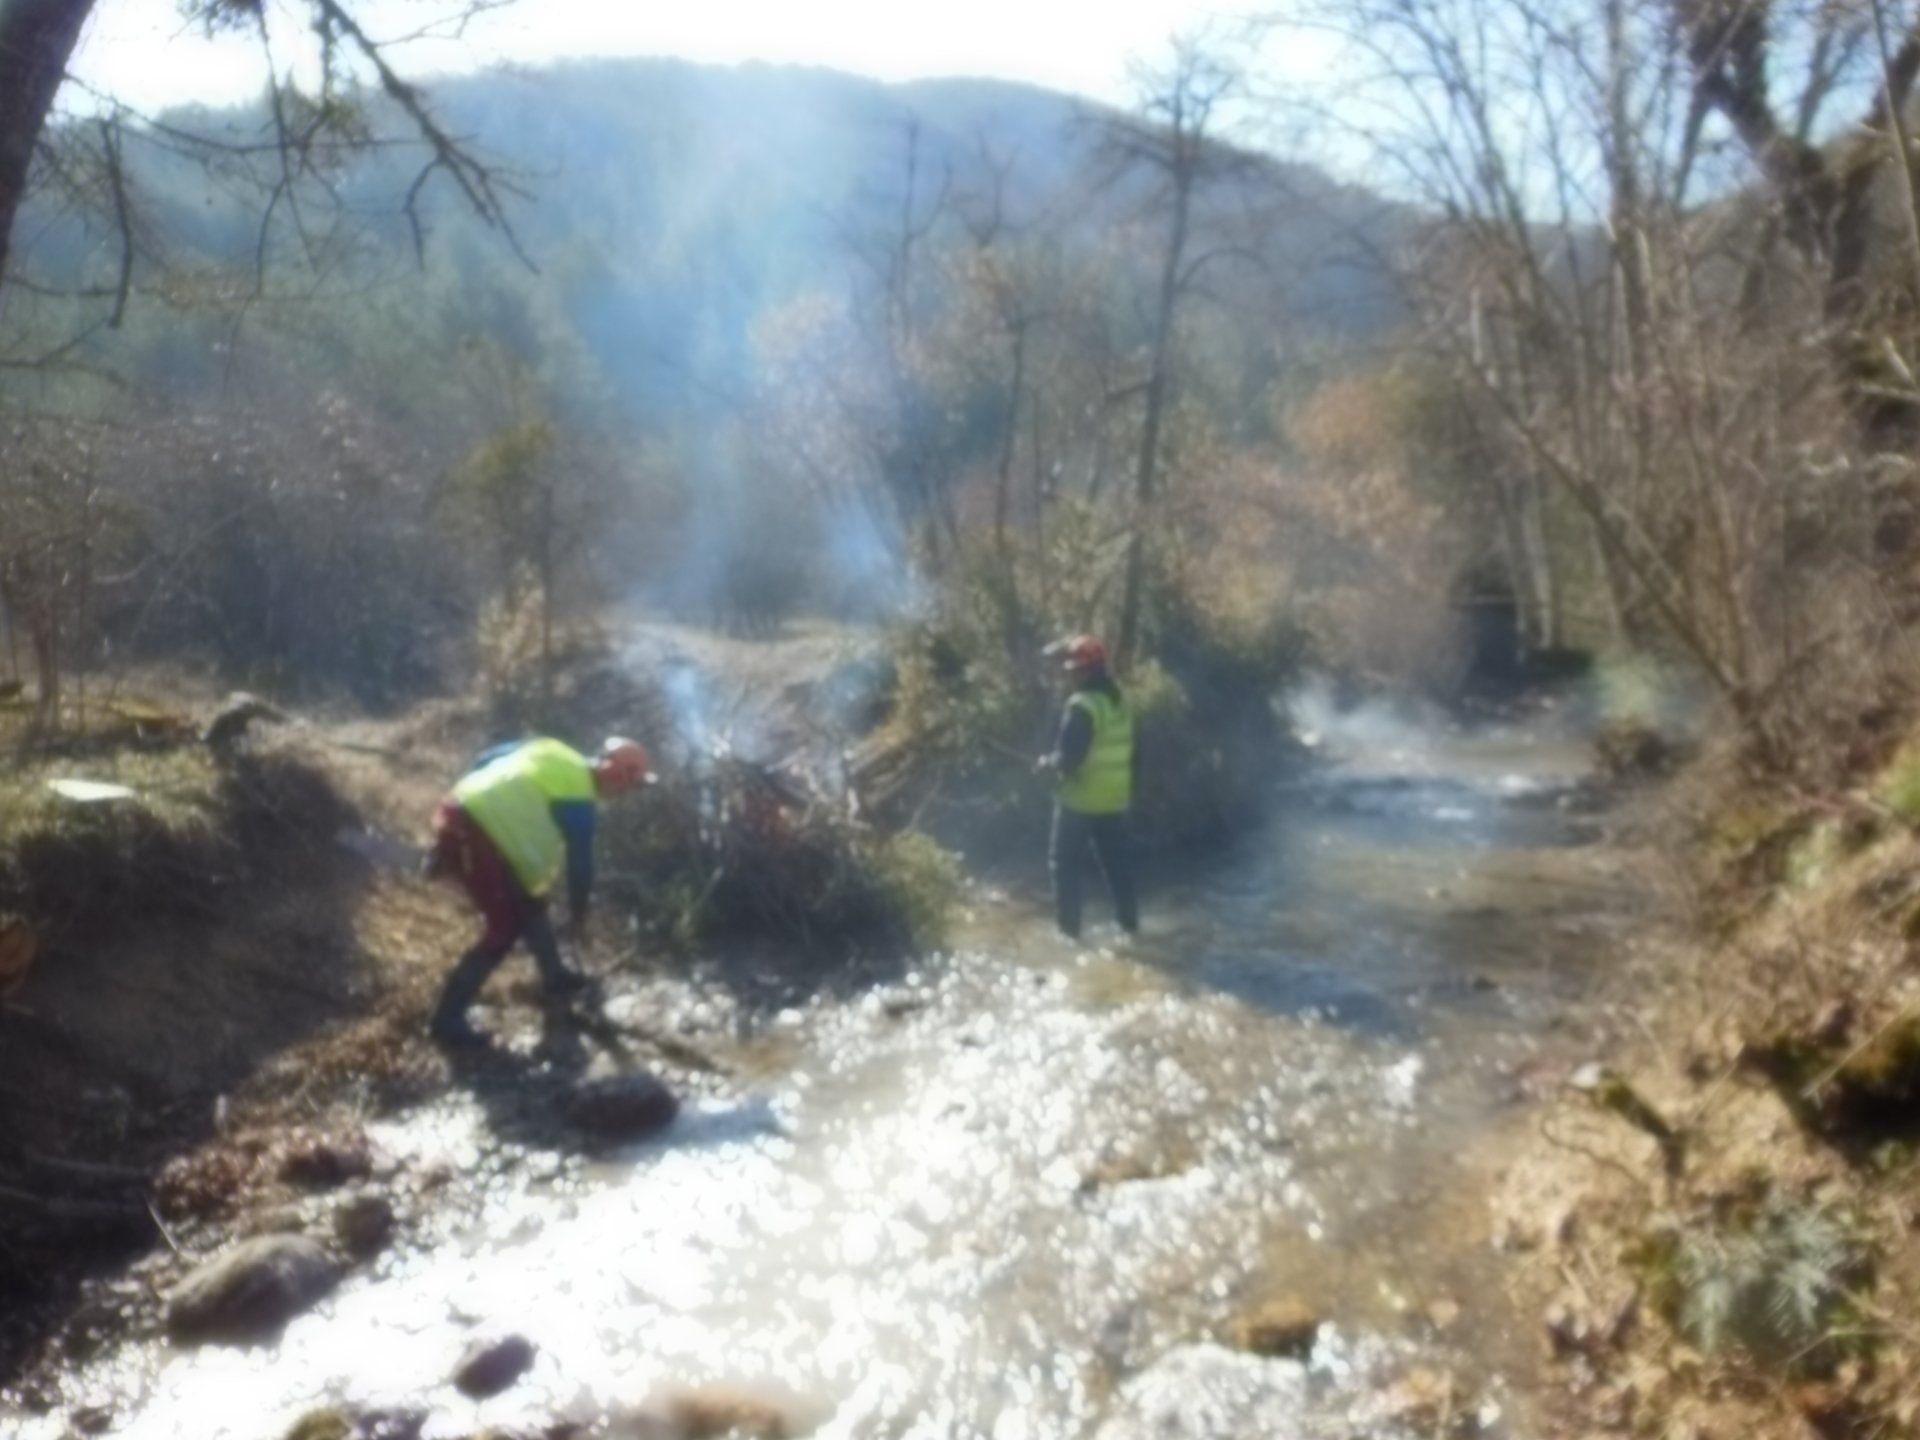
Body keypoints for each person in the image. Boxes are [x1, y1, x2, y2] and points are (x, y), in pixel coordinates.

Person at [426, 735, 653, 1047]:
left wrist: (461, 804)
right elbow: (580, 865)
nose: (628, 788)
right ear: (608, 765)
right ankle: (447, 1019)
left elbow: (486, 757)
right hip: (479, 834)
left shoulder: (553, 749)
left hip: (460, 810)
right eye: (628, 777)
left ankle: (554, 977)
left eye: (635, 782)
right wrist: (579, 913)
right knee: (505, 926)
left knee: (530, 901)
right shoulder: (579, 800)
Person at [1036, 635, 1139, 941]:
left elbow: (1069, 760)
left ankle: (1069, 935)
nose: (1069, 676)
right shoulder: (1120, 699)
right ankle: (1130, 928)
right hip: (1115, 800)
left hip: (1079, 802)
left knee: (1064, 866)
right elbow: (1135, 751)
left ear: (1081, 671)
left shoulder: (1081, 706)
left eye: (1071, 670)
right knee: (1118, 868)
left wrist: (1046, 764)